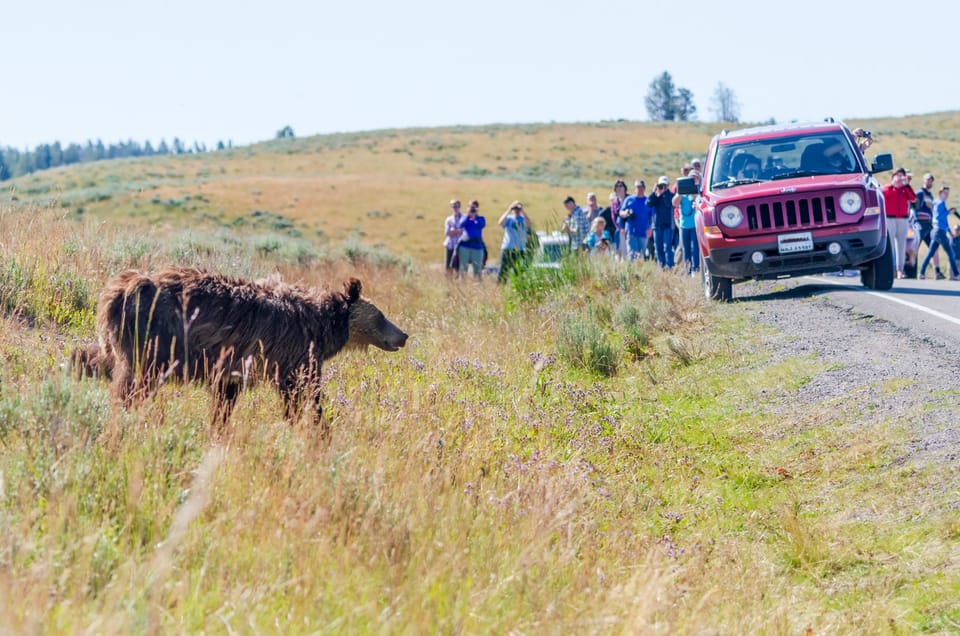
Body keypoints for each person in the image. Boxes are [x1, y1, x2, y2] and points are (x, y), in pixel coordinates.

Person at [918, 186, 960, 280]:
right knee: (951, 253)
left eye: (948, 193)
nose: (947, 195)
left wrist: (949, 231)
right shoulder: (939, 203)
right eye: (945, 193)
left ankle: (921, 273)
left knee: (930, 253)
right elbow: (938, 217)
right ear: (940, 193)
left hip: (938, 231)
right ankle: (957, 275)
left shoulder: (939, 202)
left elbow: (944, 221)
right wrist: (949, 212)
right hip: (939, 231)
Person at [882, 167, 917, 279]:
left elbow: (913, 198)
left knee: (901, 246)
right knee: (890, 246)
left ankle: (900, 270)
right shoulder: (887, 188)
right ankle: (890, 268)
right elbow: (881, 197)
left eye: (902, 176)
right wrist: (893, 185)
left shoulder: (905, 189)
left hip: (903, 219)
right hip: (890, 219)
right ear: (893, 176)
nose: (900, 178)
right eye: (898, 175)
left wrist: (907, 185)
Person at [913, 172, 943, 279]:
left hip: (929, 226)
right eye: (927, 180)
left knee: (934, 248)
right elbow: (914, 207)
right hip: (920, 225)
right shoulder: (920, 193)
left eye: (931, 180)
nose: (929, 182)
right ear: (923, 181)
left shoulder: (930, 195)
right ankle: (912, 271)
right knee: (915, 247)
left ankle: (937, 272)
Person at [619, 180, 653, 260]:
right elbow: (621, 212)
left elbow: (652, 216)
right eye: (637, 187)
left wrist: (650, 229)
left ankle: (641, 271)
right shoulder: (629, 199)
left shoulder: (648, 201)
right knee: (632, 254)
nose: (639, 189)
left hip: (644, 232)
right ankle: (632, 271)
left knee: (642, 255)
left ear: (644, 188)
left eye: (640, 187)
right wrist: (626, 213)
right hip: (631, 232)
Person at [675, 171, 700, 274]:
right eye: (691, 178)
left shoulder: (699, 190)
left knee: (695, 248)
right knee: (686, 248)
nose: (693, 180)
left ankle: (696, 268)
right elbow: (675, 203)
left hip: (695, 225)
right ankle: (687, 269)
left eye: (695, 178)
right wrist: (681, 193)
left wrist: (696, 197)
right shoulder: (683, 191)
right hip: (684, 225)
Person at [647, 175, 676, 268]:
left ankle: (669, 266)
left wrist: (664, 194)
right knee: (658, 248)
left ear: (668, 185)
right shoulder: (656, 196)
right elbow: (648, 203)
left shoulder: (671, 195)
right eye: (661, 185)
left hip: (668, 226)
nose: (663, 187)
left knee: (667, 247)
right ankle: (661, 265)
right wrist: (653, 192)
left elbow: (669, 204)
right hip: (657, 226)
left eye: (665, 185)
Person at [497, 201, 528, 282]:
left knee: (519, 272)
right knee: (503, 271)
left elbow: (529, 224)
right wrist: (509, 209)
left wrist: (523, 211)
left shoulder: (523, 219)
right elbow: (500, 222)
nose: (517, 210)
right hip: (507, 248)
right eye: (515, 208)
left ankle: (519, 289)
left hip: (519, 249)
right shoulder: (509, 218)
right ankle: (500, 289)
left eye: (518, 209)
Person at [457, 200, 486, 280]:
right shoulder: (464, 218)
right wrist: (468, 215)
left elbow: (481, 225)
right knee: (463, 268)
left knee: (477, 269)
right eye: (470, 207)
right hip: (465, 246)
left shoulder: (481, 218)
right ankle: (462, 286)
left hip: (477, 246)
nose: (472, 209)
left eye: (474, 207)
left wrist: (475, 216)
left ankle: (477, 288)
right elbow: (460, 224)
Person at [444, 199, 464, 274]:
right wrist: (458, 231)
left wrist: (454, 231)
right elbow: (447, 232)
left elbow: (465, 231)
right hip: (450, 245)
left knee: (458, 266)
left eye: (457, 206)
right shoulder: (448, 219)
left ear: (460, 207)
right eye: (453, 206)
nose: (455, 208)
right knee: (448, 266)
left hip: (460, 245)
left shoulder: (464, 218)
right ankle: (449, 283)